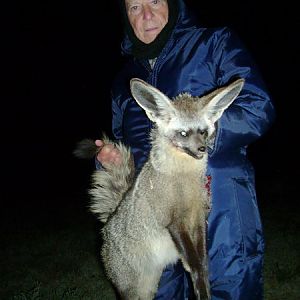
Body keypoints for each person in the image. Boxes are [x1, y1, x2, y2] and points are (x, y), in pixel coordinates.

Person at [95, 0, 275, 299]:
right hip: (153, 215)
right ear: (126, 17)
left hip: (218, 202)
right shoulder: (123, 80)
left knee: (223, 288)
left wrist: (197, 141)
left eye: (154, 1)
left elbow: (258, 107)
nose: (147, 15)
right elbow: (125, 143)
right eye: (135, 7)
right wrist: (110, 160)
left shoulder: (214, 43)